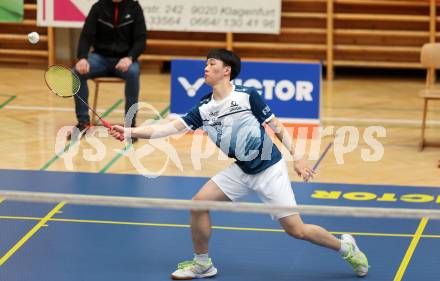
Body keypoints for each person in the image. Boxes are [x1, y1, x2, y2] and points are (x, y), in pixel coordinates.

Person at [108, 49, 369, 279]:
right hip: (241, 169)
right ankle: (202, 264)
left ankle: (346, 247)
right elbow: (168, 129)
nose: (206, 68)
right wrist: (130, 132)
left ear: (226, 70)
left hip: (269, 169)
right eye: (206, 64)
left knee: (297, 230)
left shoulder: (247, 96)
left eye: (211, 64)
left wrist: (297, 157)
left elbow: (276, 126)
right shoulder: (204, 108)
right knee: (198, 205)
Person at [69, 0, 147, 140]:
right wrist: (82, 58)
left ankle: (130, 126)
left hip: (124, 60)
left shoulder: (134, 8)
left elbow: (141, 40)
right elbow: (86, 35)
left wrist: (130, 58)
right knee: (76, 72)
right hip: (99, 58)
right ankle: (83, 123)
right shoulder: (98, 8)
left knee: (134, 73)